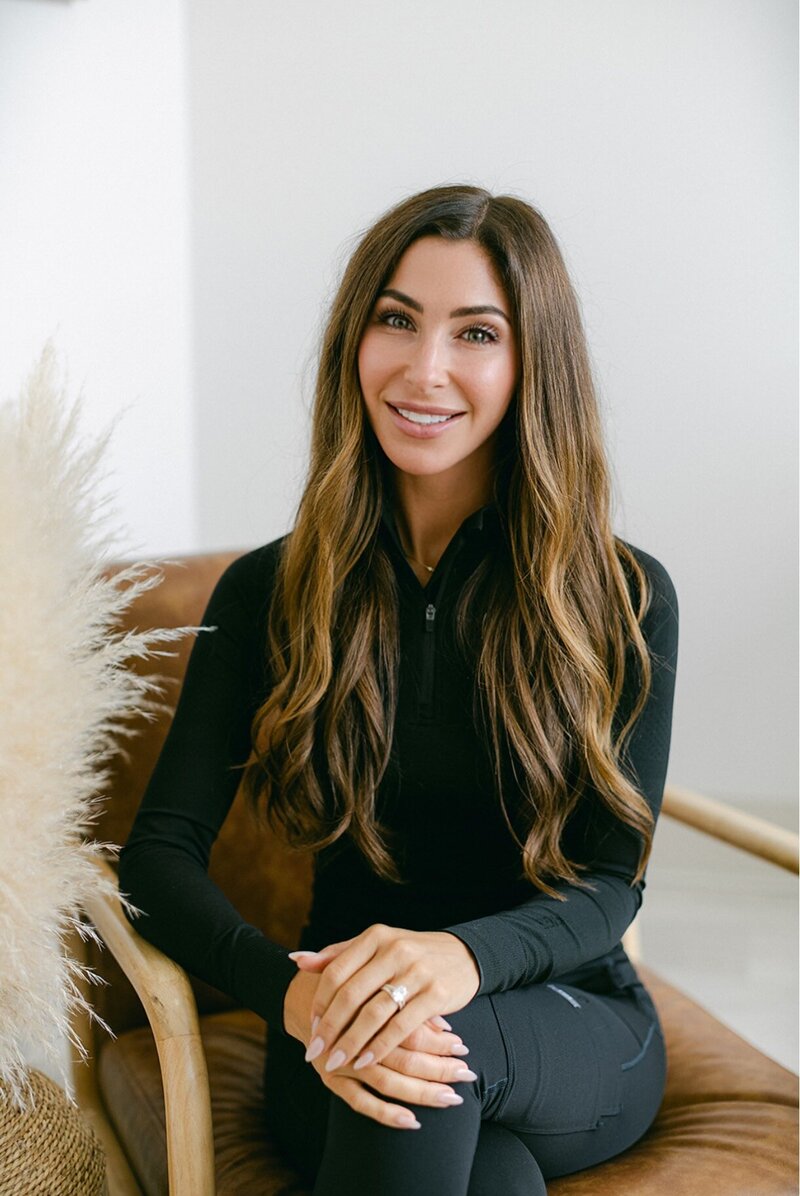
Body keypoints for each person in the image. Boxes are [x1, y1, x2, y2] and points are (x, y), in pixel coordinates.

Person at [118, 184, 679, 1195]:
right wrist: (285, 996)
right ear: (354, 340)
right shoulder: (269, 590)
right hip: (336, 1023)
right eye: (395, 319)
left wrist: (457, 960)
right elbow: (156, 858)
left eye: (475, 332)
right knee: (487, 1170)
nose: (425, 369)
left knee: (423, 1037)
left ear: (528, 362)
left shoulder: (622, 594)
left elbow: (608, 886)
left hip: (567, 1015)